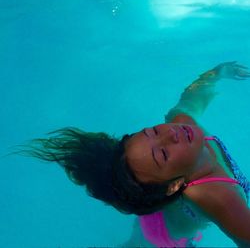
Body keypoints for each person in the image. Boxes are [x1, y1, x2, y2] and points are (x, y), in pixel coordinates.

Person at [12, 62, 250, 247]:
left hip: (159, 208)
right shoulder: (219, 199)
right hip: (165, 237)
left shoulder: (181, 123)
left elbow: (190, 100)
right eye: (164, 154)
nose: (171, 135)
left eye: (154, 131)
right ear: (176, 184)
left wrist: (219, 73)